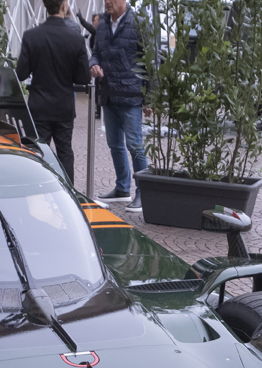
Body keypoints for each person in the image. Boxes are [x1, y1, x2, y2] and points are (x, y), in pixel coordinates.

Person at [16, 0, 90, 184]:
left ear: (44, 6)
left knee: (37, 152)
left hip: (39, 106)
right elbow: (84, 78)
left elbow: (21, 73)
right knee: (65, 151)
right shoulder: (75, 38)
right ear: (64, 6)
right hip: (63, 105)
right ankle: (68, 195)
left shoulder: (31, 36)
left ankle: (36, 190)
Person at [90, 0, 149, 211]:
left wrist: (150, 98)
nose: (107, 2)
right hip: (108, 94)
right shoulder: (103, 24)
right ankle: (122, 188)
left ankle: (144, 194)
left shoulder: (139, 23)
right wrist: (93, 64)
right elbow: (96, 51)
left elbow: (151, 60)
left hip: (131, 96)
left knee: (135, 146)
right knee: (115, 144)